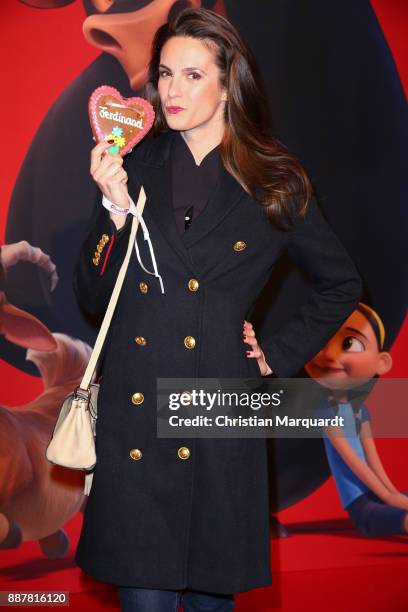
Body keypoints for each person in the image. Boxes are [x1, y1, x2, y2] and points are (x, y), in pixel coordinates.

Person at [73, 7, 362, 611]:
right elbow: (93, 301)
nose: (171, 91)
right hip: (137, 413)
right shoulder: (134, 165)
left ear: (230, 83)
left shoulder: (274, 180)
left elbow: (340, 283)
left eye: (192, 75)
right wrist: (115, 214)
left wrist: (274, 355)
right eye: (165, 74)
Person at [304, 303, 408, 537]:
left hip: (378, 494)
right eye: (321, 342)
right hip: (361, 505)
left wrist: (392, 494)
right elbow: (353, 462)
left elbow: (373, 460)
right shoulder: (326, 411)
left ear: (382, 362)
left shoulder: (360, 412)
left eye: (349, 344)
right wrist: (388, 497)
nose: (330, 355)